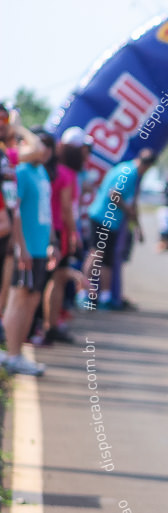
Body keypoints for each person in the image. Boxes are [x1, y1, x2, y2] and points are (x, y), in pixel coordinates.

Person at [4, 128, 53, 375]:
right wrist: (20, 246)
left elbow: (46, 210)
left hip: (41, 248)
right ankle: (12, 355)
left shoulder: (41, 171)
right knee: (19, 299)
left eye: (48, 145)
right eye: (40, 143)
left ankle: (17, 352)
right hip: (27, 248)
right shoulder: (21, 171)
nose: (43, 149)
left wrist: (52, 241)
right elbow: (16, 212)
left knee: (32, 300)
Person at [84, 148, 156, 310]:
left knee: (106, 260)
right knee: (96, 254)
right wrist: (126, 210)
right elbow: (114, 194)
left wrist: (138, 227)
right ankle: (83, 293)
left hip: (111, 222)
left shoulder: (132, 172)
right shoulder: (129, 172)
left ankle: (105, 297)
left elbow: (132, 202)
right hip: (102, 217)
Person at [40, 131, 82, 345]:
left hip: (49, 229)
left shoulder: (53, 170)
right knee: (57, 280)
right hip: (58, 231)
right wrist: (74, 233)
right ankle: (50, 326)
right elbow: (67, 209)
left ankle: (49, 324)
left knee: (52, 280)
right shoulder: (67, 174)